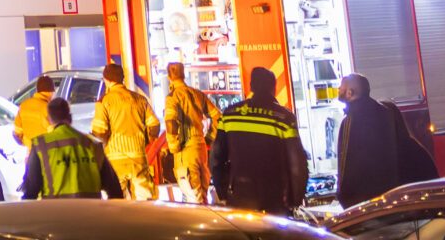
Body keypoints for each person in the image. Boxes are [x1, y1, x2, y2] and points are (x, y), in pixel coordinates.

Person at [210, 66, 308, 214]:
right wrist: (295, 200)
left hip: (239, 198)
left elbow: (215, 158)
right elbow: (297, 166)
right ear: (273, 87)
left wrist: (224, 192)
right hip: (275, 200)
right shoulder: (283, 118)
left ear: (251, 86)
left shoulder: (230, 114)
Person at [335, 73, 435, 207]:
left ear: (349, 93)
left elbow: (345, 166)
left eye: (341, 87)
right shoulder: (387, 114)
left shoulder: (350, 122)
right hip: (395, 201)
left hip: (368, 207)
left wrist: (344, 199)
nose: (338, 89)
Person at [20, 96, 125, 199]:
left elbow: (31, 190)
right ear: (70, 117)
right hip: (90, 214)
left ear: (49, 119)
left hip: (54, 213)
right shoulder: (92, 144)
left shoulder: (41, 145)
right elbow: (114, 190)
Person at [91, 61, 159, 200]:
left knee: (117, 204)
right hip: (138, 158)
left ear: (107, 80)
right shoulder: (140, 99)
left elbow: (99, 133)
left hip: (116, 161)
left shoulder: (104, 102)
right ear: (122, 78)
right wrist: (144, 141)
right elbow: (154, 126)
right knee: (145, 203)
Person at [163, 61, 213, 203]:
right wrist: (209, 138)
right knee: (203, 195)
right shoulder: (198, 94)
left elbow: (171, 123)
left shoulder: (172, 97)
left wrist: (173, 147)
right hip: (201, 149)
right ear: (184, 75)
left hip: (186, 151)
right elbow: (216, 116)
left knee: (194, 198)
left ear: (169, 77)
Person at [13, 75, 54, 148]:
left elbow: (17, 132)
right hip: (46, 153)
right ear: (50, 92)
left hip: (30, 153)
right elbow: (54, 133)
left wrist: (26, 142)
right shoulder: (48, 108)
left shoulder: (24, 105)